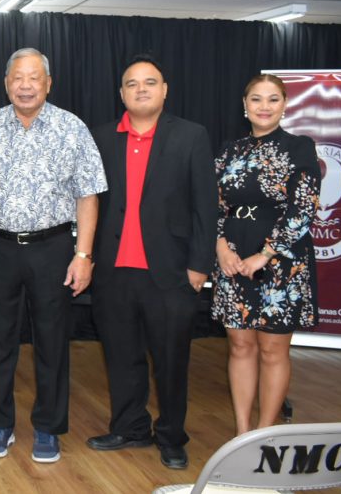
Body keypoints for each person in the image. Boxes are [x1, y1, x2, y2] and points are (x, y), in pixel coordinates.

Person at [0, 48, 106, 463]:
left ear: (48, 83)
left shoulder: (72, 128)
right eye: (17, 78)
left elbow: (88, 194)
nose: (25, 85)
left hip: (53, 248)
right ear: (6, 84)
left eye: (34, 78)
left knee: (52, 340)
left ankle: (47, 427)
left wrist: (83, 255)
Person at [86, 55, 217, 470]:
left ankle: (172, 437)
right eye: (132, 83)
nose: (141, 89)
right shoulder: (102, 137)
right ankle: (130, 427)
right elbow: (90, 200)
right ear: (121, 93)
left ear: (164, 90)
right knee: (121, 357)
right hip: (113, 271)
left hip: (172, 272)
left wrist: (199, 265)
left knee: (171, 361)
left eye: (150, 82)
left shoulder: (191, 136)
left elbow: (205, 207)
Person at [212, 74, 320, 436]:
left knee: (273, 350)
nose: (264, 106)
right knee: (240, 345)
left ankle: (265, 434)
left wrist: (265, 254)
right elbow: (212, 204)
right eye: (256, 99)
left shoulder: (299, 147)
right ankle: (242, 434)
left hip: (281, 262)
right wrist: (221, 246)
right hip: (232, 257)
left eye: (273, 99)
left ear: (285, 104)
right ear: (245, 106)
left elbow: (303, 207)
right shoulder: (229, 150)